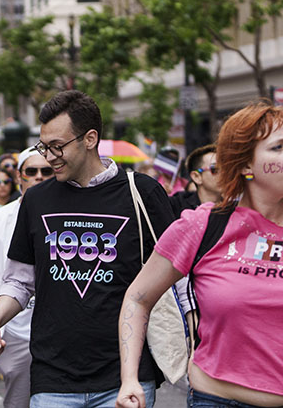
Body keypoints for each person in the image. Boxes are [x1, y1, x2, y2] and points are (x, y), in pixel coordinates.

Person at [0, 90, 174, 407]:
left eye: (58, 147)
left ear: (90, 138)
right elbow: (19, 280)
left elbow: (173, 275)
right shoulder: (37, 199)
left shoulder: (142, 193)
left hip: (125, 375)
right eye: (44, 146)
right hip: (52, 378)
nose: (49, 156)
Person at [116, 103, 283, 408]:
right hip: (216, 400)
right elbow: (138, 299)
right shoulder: (203, 224)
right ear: (245, 164)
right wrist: (129, 378)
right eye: (279, 147)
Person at [0, 146, 54, 408]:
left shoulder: (65, 214)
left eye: (46, 170)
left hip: (59, 334)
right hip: (15, 334)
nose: (39, 176)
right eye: (32, 171)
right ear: (19, 177)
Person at [168, 144, 222, 217]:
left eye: (226, 168)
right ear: (196, 177)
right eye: (215, 169)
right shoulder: (176, 206)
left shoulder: (235, 207)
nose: (224, 174)